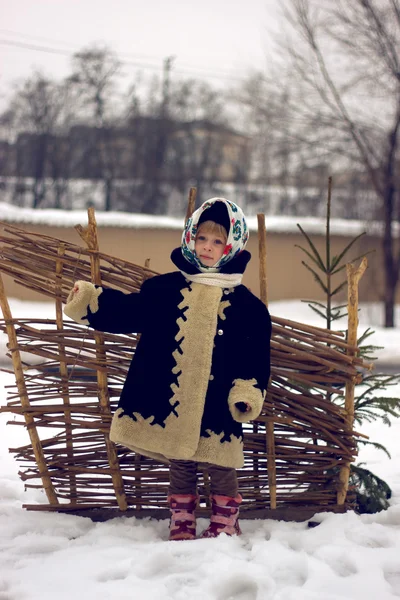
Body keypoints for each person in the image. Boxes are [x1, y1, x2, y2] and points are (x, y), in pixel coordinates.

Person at [64, 197, 272, 541]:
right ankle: (182, 518)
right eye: (201, 239)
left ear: (232, 245)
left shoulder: (248, 307)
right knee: (181, 460)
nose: (207, 248)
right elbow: (130, 312)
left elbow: (255, 356)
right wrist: (90, 300)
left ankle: (225, 519)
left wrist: (247, 393)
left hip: (219, 401)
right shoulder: (164, 290)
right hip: (173, 398)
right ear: (189, 238)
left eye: (217, 241)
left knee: (220, 462)